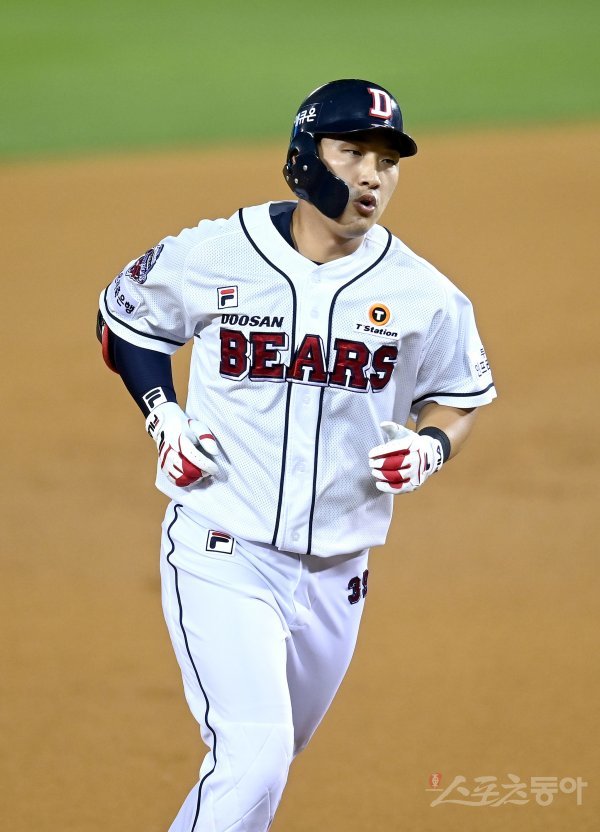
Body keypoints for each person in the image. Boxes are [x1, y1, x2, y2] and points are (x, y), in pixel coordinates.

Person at [97, 78, 496, 831]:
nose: (373, 176)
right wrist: (164, 416)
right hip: (222, 546)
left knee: (275, 754)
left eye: (388, 161)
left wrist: (431, 447)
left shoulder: (423, 293)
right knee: (255, 756)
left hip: (339, 573)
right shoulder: (218, 252)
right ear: (306, 156)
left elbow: (459, 395)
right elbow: (125, 320)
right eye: (353, 153)